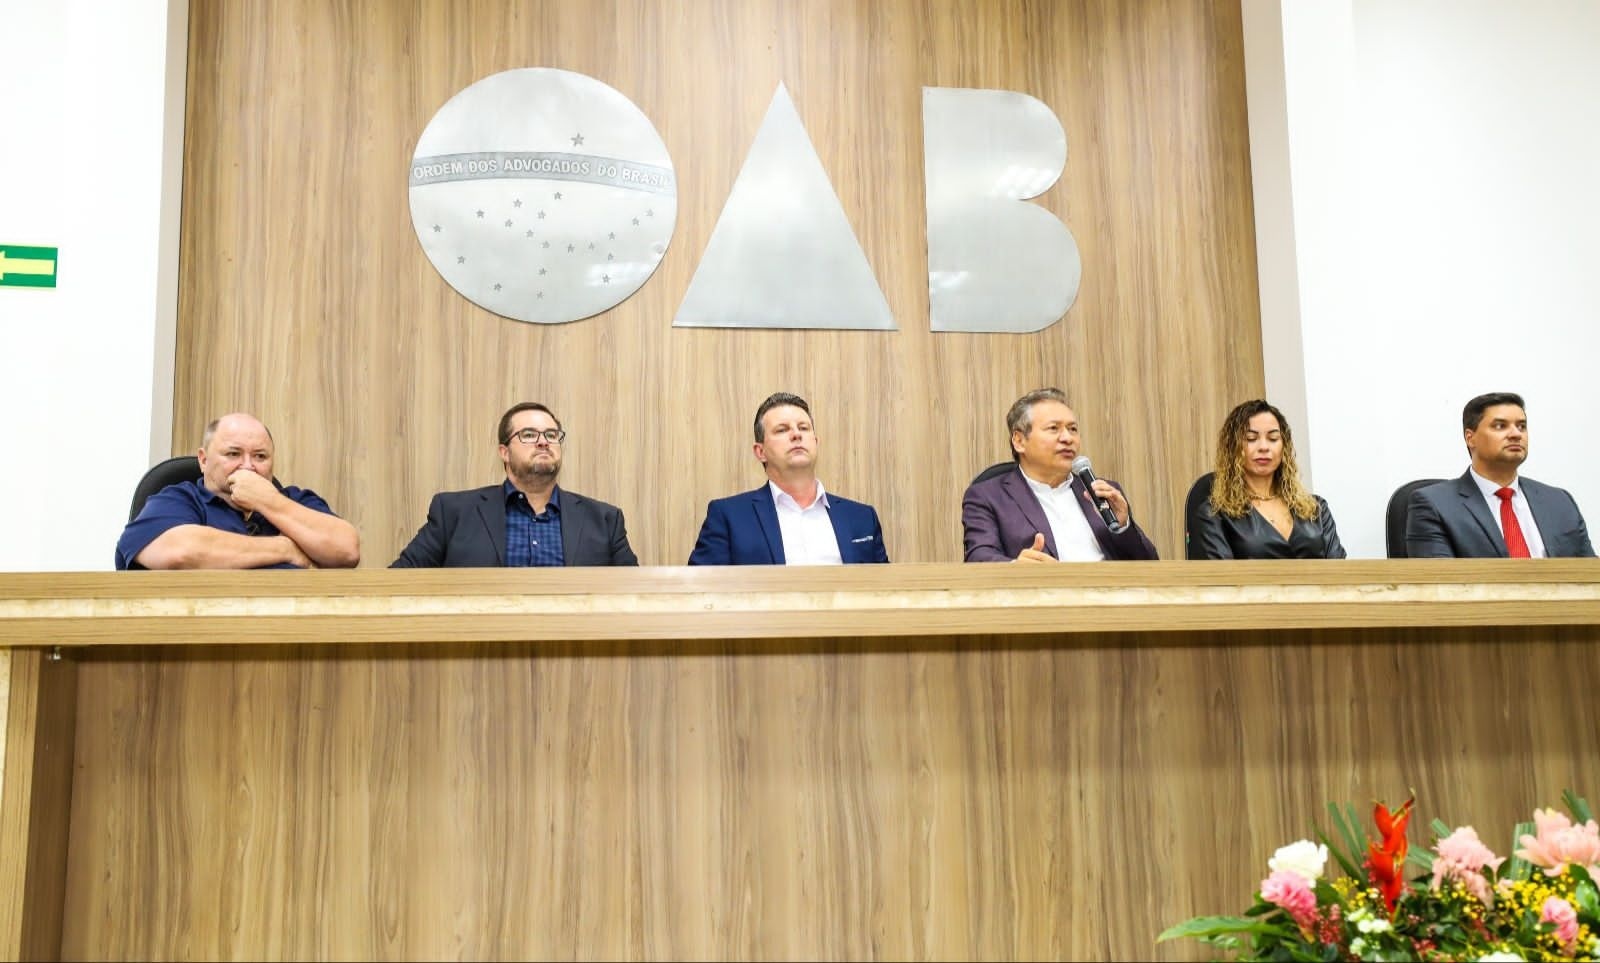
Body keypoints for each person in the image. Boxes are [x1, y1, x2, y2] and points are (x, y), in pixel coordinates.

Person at [391, 402, 638, 567]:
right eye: (529, 435)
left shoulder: (605, 520)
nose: (543, 442)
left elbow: (636, 595)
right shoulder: (453, 513)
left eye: (551, 435)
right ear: (504, 452)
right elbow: (399, 582)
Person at [115, 412, 360, 570]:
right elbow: (180, 551)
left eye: (260, 456)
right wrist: (284, 549)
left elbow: (347, 548)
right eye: (233, 454)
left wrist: (269, 501)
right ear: (203, 460)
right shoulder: (177, 499)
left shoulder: (295, 500)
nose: (248, 466)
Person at [687, 392, 887, 565]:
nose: (796, 435)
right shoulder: (729, 517)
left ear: (815, 442)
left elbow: (886, 589)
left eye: (804, 428)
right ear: (760, 452)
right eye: (782, 430)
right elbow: (701, 590)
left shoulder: (862, 517)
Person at [962, 388, 1157, 562]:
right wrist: (1016, 569)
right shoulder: (987, 496)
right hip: (1042, 590)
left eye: (1073, 429)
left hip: (1108, 590)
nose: (1067, 438)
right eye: (1053, 428)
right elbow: (979, 557)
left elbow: (1149, 565)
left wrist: (1123, 527)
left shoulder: (1102, 493)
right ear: (1019, 441)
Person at [1406, 392, 1593, 558]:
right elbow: (1441, 580)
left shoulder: (1559, 502)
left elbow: (1590, 574)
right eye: (1500, 426)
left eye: (1521, 426)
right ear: (1470, 438)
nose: (1516, 434)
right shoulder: (1434, 505)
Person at [1187, 400, 1346, 559]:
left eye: (1273, 438)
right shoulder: (1214, 514)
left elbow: (1342, 570)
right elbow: (1222, 574)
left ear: (1284, 447)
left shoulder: (1316, 509)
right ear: (1233, 448)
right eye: (1251, 438)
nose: (1264, 447)